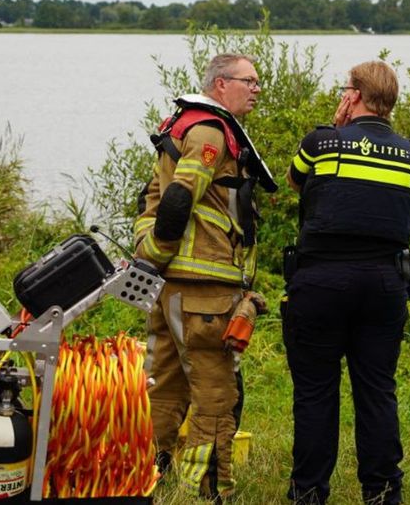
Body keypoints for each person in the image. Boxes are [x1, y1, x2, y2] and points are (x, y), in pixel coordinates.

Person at [133, 53, 272, 500]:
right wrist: (159, 251)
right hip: (204, 293)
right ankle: (205, 489)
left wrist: (149, 259)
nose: (256, 88)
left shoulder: (183, 125)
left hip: (168, 287)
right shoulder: (212, 132)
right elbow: (176, 201)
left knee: (162, 384)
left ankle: (146, 475)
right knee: (215, 394)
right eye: (248, 81)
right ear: (220, 86)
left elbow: (149, 200)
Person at [284, 61, 410, 505]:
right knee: (377, 389)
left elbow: (294, 183)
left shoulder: (323, 141)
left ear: (354, 95)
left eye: (346, 88)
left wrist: (335, 126)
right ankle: (382, 493)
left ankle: (309, 493)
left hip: (322, 280)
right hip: (385, 284)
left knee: (315, 391)